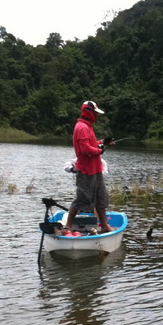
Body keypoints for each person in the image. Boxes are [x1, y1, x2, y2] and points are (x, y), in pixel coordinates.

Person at [63, 100, 113, 235]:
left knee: (100, 197)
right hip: (86, 170)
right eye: (95, 113)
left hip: (95, 169)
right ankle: (68, 225)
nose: (96, 116)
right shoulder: (82, 127)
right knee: (82, 198)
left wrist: (102, 142)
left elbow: (91, 144)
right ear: (89, 112)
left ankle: (104, 225)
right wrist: (100, 151)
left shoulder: (87, 127)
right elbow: (86, 150)